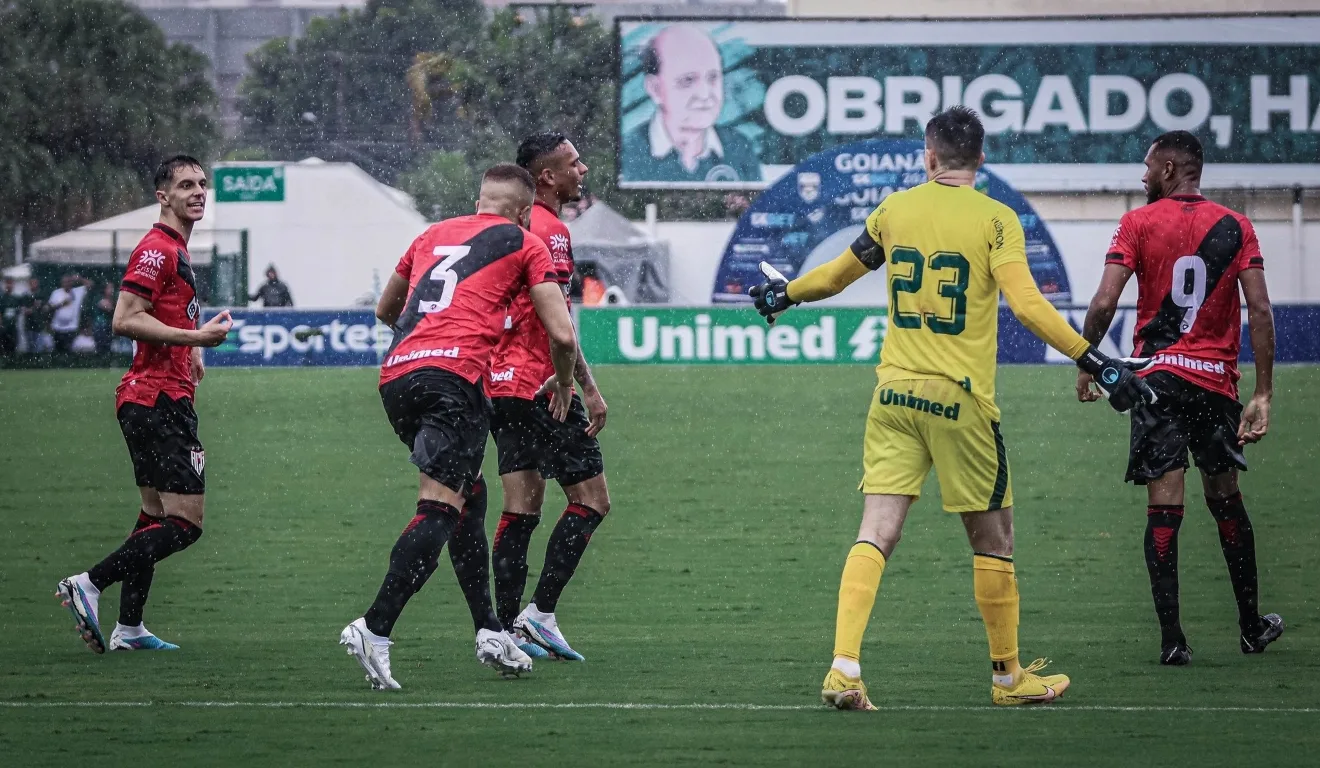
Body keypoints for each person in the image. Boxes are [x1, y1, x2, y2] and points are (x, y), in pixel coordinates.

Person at [749, 106, 1155, 709]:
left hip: (893, 394)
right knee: (995, 542)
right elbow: (1027, 305)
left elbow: (835, 277)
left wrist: (785, 292)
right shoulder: (997, 220)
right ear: (981, 160)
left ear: (929, 157)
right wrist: (1095, 359)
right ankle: (1009, 678)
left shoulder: (895, 210)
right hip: (959, 400)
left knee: (876, 533)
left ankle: (843, 667)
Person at [339, 163, 579, 690]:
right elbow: (560, 335)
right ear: (522, 210)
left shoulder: (431, 233)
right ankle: (374, 627)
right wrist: (563, 383)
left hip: (399, 376)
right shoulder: (524, 240)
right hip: (455, 380)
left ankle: (489, 630)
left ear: (479, 200)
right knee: (440, 507)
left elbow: (387, 309)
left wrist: (429, 334)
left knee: (470, 494)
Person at [1077, 130, 1283, 666]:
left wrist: (1088, 358)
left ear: (1169, 169)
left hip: (1157, 383)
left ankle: (1173, 641)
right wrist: (1262, 392)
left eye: (1147, 167)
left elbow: (1104, 300)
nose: (1142, 176)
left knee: (1165, 510)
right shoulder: (1236, 226)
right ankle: (1250, 627)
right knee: (1226, 501)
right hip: (1215, 385)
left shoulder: (1138, 223)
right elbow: (1260, 312)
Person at [55, 155, 234, 654]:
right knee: (185, 523)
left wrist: (191, 349)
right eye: (185, 185)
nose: (198, 191)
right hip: (157, 400)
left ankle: (129, 628)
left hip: (149, 398)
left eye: (202, 183)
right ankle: (89, 583)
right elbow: (125, 317)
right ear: (163, 196)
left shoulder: (177, 249)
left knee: (154, 515)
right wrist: (193, 336)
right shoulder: (157, 249)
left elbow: (159, 314)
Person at [486, 133, 610, 662]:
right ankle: (539, 613)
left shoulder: (504, 228)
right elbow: (558, 319)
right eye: (572, 163)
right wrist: (584, 384)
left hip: (499, 384)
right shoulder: (549, 228)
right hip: (542, 384)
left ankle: (507, 627)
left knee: (521, 505)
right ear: (547, 179)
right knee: (591, 500)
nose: (582, 169)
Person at [620, 24, 760, 184]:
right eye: (688, 80)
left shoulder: (739, 147)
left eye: (713, 77)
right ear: (655, 88)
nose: (705, 94)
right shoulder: (626, 153)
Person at [49, 273, 92, 353]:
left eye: (69, 282)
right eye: (65, 282)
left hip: (71, 328)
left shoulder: (77, 292)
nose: (67, 284)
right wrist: (61, 304)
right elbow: (50, 307)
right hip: (57, 328)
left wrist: (79, 279)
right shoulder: (56, 293)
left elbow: (90, 284)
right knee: (58, 352)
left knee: (69, 352)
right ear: (62, 283)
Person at [90, 282, 117, 354]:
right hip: (100, 327)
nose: (112, 290)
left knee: (108, 346)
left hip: (108, 326)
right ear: (104, 289)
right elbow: (110, 309)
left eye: (112, 288)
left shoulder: (112, 300)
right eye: (109, 288)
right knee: (101, 347)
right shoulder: (101, 299)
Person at [0, 277, 20, 355]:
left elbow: (18, 311)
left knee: (13, 344)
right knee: (3, 344)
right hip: (4, 326)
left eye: (11, 283)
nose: (9, 285)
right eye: (8, 283)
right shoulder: (2, 298)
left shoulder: (16, 298)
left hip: (13, 326)